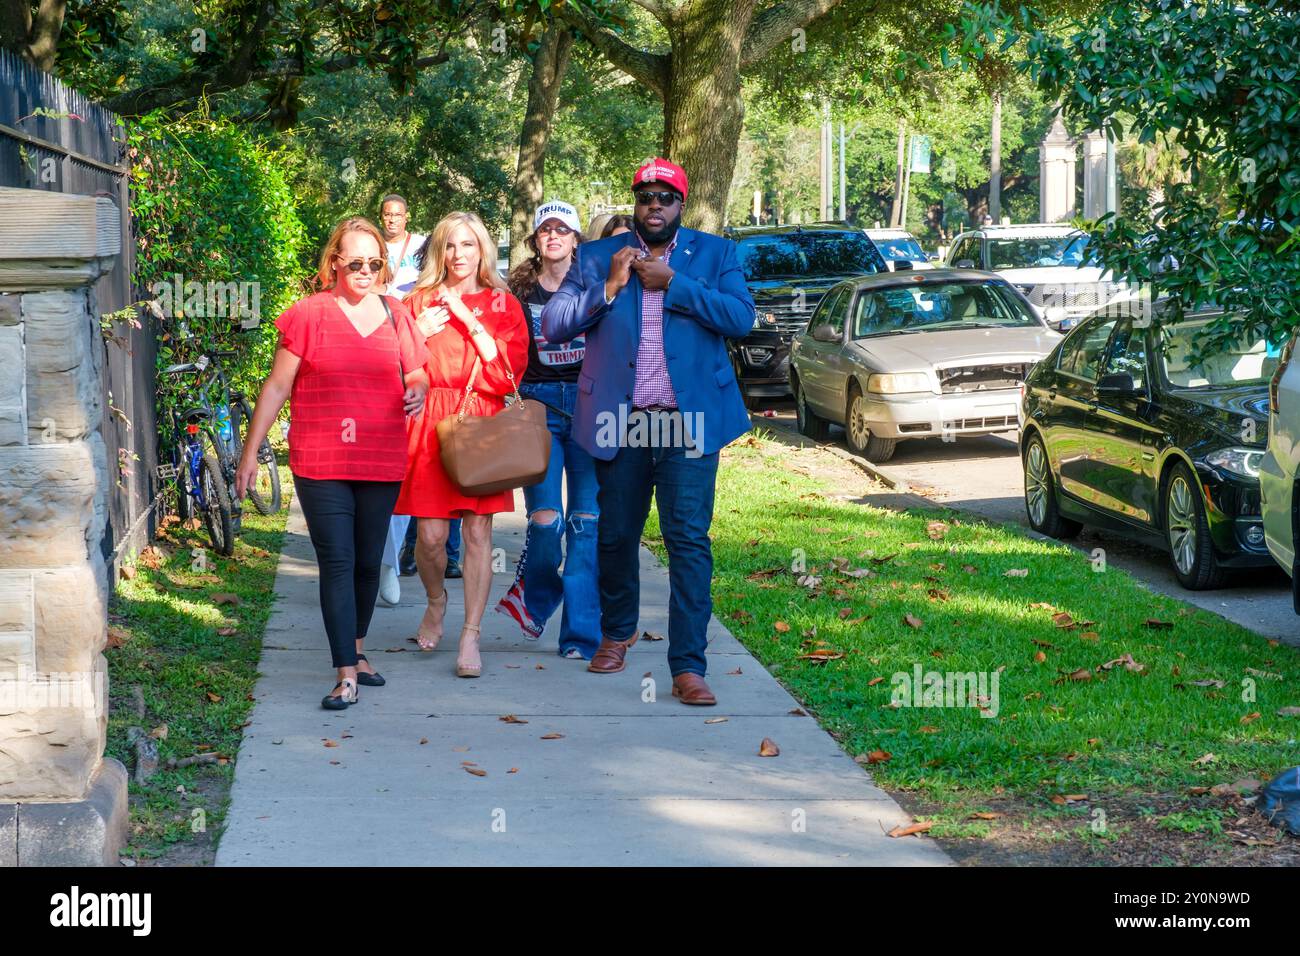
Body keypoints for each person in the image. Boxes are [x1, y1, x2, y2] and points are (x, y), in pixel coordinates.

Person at [541, 157, 756, 706]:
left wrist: (675, 285)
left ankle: (687, 665)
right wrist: (610, 287)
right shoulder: (594, 257)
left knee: (687, 539)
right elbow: (555, 323)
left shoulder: (715, 253)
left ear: (682, 203)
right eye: (646, 197)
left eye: (665, 197)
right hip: (622, 419)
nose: (654, 205)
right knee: (615, 535)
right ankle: (617, 633)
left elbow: (740, 317)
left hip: (689, 422)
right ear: (635, 203)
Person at [235, 217, 430, 709]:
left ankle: (359, 652)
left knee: (369, 562)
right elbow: (277, 386)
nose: (366, 270)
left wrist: (417, 391)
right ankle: (345, 671)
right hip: (321, 458)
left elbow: (420, 373)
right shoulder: (308, 315)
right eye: (356, 262)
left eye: (375, 262)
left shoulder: (395, 313)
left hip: (381, 455)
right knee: (338, 561)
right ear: (335, 263)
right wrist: (251, 451)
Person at [398, 211, 530, 677]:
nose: (458, 255)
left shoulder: (503, 304)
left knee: (478, 533)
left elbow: (507, 373)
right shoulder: (417, 303)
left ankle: (470, 636)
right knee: (431, 538)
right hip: (431, 421)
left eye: (468, 245)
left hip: (481, 420)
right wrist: (420, 333)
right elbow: (394, 365)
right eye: (450, 246)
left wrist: (465, 317)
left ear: (483, 251)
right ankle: (436, 600)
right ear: (439, 251)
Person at [494, 201, 599, 660]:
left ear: (576, 238)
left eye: (563, 229)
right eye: (545, 229)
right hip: (537, 406)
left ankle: (578, 635)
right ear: (535, 239)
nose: (553, 236)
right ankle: (535, 595)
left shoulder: (595, 283)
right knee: (545, 522)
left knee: (584, 524)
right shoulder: (518, 290)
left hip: (590, 404)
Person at [376, 194, 430, 605]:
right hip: (372, 391)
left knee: (403, 478)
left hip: (414, 389)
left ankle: (389, 563)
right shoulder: (360, 298)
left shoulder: (423, 294)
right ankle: (370, 560)